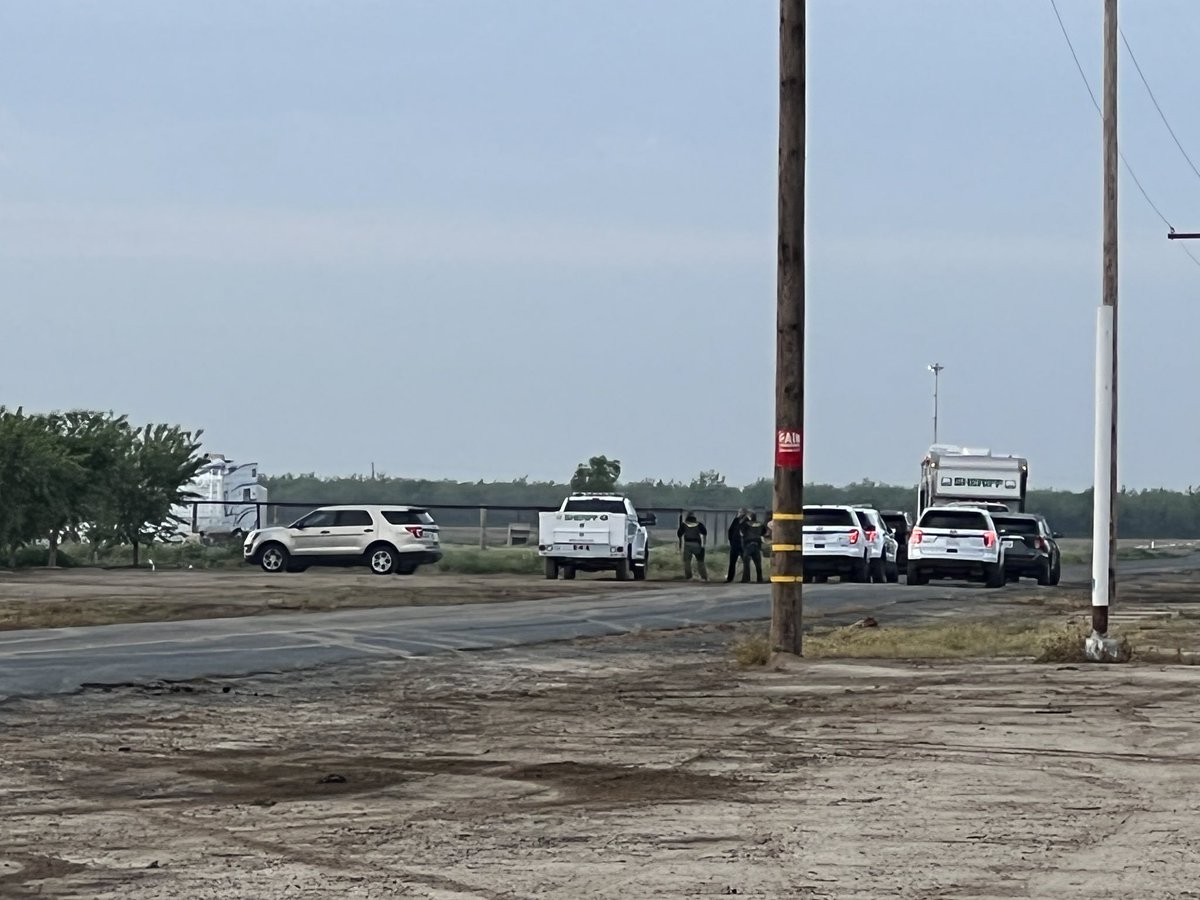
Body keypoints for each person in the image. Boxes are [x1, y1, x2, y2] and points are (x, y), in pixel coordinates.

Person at [677, 511, 709, 581]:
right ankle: (704, 577)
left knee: (687, 562)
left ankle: (689, 577)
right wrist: (704, 543)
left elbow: (679, 534)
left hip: (687, 543)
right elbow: (704, 532)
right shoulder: (699, 524)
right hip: (697, 544)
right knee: (700, 561)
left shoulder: (684, 524)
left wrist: (680, 543)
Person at [740, 512, 770, 583]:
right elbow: (764, 533)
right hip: (757, 545)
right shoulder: (760, 524)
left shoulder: (746, 524)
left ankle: (746, 578)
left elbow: (741, 531)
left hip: (748, 545)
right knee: (758, 564)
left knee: (746, 563)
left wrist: (744, 518)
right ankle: (759, 579)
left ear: (749, 517)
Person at [726, 507, 748, 583]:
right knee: (732, 562)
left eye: (741, 512)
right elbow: (730, 530)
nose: (739, 513)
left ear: (744, 513)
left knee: (745, 562)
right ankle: (729, 578)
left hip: (743, 545)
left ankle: (745, 578)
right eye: (739, 512)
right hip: (734, 544)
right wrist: (731, 541)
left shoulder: (747, 521)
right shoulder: (736, 520)